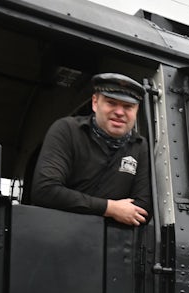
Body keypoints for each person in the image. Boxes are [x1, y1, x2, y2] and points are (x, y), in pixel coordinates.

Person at [31, 72, 151, 226]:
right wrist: (110, 208)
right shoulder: (67, 130)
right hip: (56, 232)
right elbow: (45, 190)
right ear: (95, 102)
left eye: (128, 106)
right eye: (111, 103)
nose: (119, 112)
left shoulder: (140, 146)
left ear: (136, 110)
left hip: (110, 239)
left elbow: (142, 209)